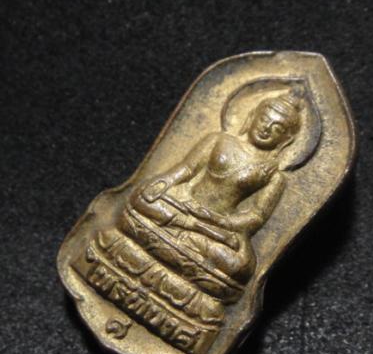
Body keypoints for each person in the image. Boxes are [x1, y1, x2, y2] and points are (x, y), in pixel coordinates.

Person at [123, 89, 304, 297]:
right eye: (264, 119)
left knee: (240, 266)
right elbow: (187, 169)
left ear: (286, 140)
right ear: (253, 116)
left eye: (277, 128)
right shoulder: (218, 139)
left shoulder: (273, 176)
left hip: (218, 226)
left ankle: (183, 232)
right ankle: (188, 234)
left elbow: (257, 216)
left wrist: (221, 222)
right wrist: (165, 182)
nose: (266, 128)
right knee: (141, 198)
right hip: (183, 204)